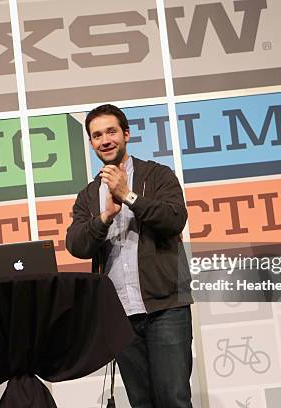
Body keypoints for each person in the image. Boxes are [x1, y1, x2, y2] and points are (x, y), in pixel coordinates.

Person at [65, 104, 193, 407]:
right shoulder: (88, 195)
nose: (104, 140)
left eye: (111, 131)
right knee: (141, 402)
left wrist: (129, 196)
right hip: (120, 314)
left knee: (174, 399)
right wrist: (105, 217)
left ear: (126, 134)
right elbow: (76, 244)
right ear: (91, 143)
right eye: (97, 135)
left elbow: (175, 218)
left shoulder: (157, 175)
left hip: (165, 308)